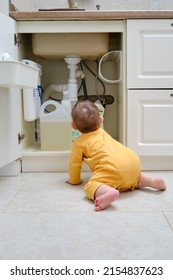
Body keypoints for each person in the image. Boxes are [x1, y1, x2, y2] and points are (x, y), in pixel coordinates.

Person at [66, 100, 166, 211]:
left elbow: (74, 165)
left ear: (73, 126)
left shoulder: (79, 143)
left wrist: (74, 180)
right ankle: (153, 182)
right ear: (100, 120)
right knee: (136, 178)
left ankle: (109, 192)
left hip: (114, 169)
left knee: (90, 186)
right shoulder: (102, 132)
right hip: (133, 162)